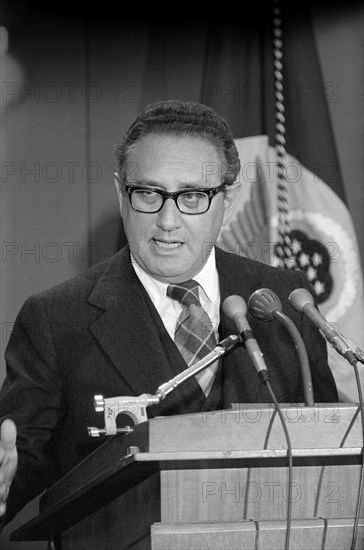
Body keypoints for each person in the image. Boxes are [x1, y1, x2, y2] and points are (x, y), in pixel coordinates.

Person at [0, 99, 338, 526]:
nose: (167, 220)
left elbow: (328, 440)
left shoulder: (286, 299)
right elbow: (18, 459)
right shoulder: (56, 319)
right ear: (121, 193)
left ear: (229, 199)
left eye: (192, 196)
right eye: (148, 194)